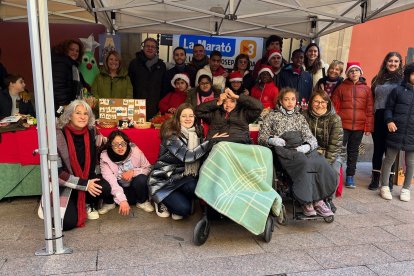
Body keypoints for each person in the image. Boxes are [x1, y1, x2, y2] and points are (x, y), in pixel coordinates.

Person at [258, 87, 336, 217]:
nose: (290, 102)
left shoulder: (300, 117)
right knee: (304, 163)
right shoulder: (271, 115)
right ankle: (307, 201)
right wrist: (272, 140)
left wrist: (307, 146)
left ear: (296, 101)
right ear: (281, 101)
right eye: (286, 99)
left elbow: (310, 137)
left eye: (293, 99)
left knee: (320, 162)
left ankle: (318, 200)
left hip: (300, 147)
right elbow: (262, 137)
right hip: (284, 149)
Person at [148, 103, 224, 219]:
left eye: (191, 116)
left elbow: (201, 155)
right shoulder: (171, 135)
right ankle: (159, 200)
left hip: (183, 177)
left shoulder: (196, 132)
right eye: (184, 116)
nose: (188, 119)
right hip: (164, 180)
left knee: (199, 187)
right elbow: (188, 156)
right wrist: (210, 142)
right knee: (183, 210)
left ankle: (179, 199)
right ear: (178, 118)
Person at [55, 100, 112, 230]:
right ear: (69, 115)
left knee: (105, 188)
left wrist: (128, 146)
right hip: (66, 182)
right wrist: (84, 185)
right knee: (66, 223)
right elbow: (57, 174)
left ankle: (87, 202)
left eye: (86, 114)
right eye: (78, 113)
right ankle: (73, 201)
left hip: (88, 177)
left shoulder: (93, 131)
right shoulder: (58, 136)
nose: (82, 117)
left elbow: (107, 142)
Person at [331, 62, 374, 188]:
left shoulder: (367, 89)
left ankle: (350, 176)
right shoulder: (341, 87)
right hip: (342, 125)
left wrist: (368, 127)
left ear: (361, 73)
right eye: (351, 71)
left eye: (356, 70)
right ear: (347, 74)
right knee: (338, 149)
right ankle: (336, 174)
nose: (354, 73)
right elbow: (334, 106)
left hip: (359, 127)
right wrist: (335, 123)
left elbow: (369, 109)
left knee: (353, 151)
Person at [369, 52, 403, 191]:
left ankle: (388, 179)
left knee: (391, 150)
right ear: (386, 62)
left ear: (400, 63)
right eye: (390, 61)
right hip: (378, 116)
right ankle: (375, 178)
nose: (393, 63)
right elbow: (372, 98)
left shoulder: (402, 80)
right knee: (378, 149)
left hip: (394, 118)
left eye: (396, 61)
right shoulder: (378, 78)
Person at [379, 63, 414, 202]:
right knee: (389, 159)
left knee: (411, 163)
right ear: (409, 74)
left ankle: (406, 189)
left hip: (412, 133)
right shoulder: (398, 90)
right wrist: (389, 121)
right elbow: (388, 108)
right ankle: (385, 186)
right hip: (396, 130)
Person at [303, 89, 344, 206]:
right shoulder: (304, 116)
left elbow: (335, 145)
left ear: (328, 103)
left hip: (331, 153)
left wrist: (326, 162)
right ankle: (307, 198)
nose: (319, 105)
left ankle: (328, 199)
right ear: (311, 103)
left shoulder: (335, 119)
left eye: (323, 102)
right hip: (310, 151)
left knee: (333, 171)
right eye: (316, 102)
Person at [100, 130, 154, 216]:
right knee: (105, 183)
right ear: (110, 145)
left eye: (123, 143)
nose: (120, 147)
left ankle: (142, 202)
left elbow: (147, 168)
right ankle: (109, 203)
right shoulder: (105, 157)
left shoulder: (135, 151)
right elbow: (111, 180)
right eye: (116, 144)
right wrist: (122, 199)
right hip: (117, 190)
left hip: (133, 189)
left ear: (127, 143)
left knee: (141, 178)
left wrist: (133, 172)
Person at [195, 88, 263, 143]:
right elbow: (198, 111)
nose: (228, 105)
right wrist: (217, 103)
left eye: (232, 101)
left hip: (240, 144)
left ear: (237, 103)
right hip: (219, 144)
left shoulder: (243, 113)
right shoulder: (215, 113)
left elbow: (259, 107)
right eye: (225, 102)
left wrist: (237, 97)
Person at [128, 37, 166, 120]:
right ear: (143, 47)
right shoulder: (134, 64)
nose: (150, 48)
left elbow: (163, 87)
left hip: (155, 106)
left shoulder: (161, 65)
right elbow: (129, 85)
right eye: (147, 46)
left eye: (153, 47)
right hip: (137, 105)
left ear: (156, 50)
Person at [51, 39, 84, 113]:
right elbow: (58, 87)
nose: (75, 53)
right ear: (65, 50)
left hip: (68, 106)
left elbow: (82, 84)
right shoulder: (61, 64)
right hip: (60, 108)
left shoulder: (72, 66)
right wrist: (65, 106)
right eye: (72, 50)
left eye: (77, 51)